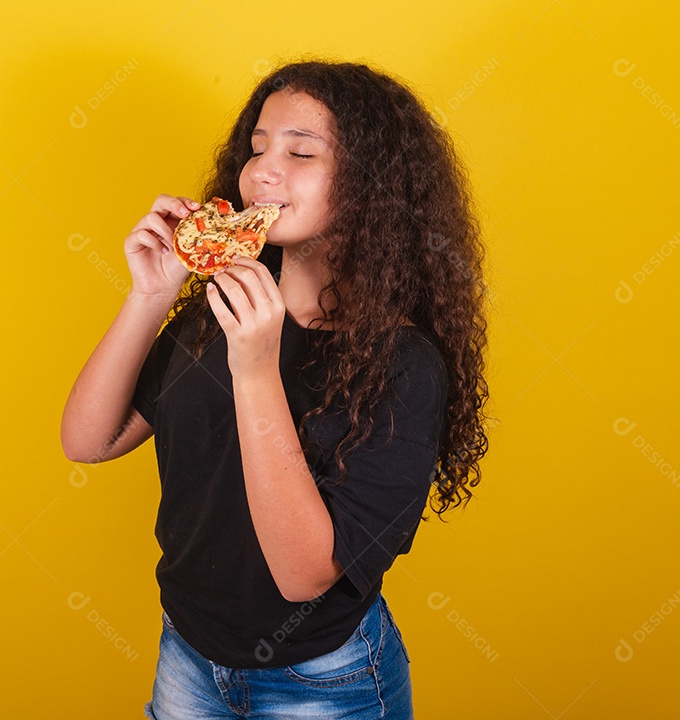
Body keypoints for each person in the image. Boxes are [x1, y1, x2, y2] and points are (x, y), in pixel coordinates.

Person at [60, 60, 489, 720]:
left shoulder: (405, 366)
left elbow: (303, 576)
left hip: (322, 684)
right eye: (258, 148)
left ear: (370, 184)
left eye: (301, 152)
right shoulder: (213, 314)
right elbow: (89, 440)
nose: (262, 170)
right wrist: (150, 296)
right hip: (188, 655)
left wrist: (257, 370)